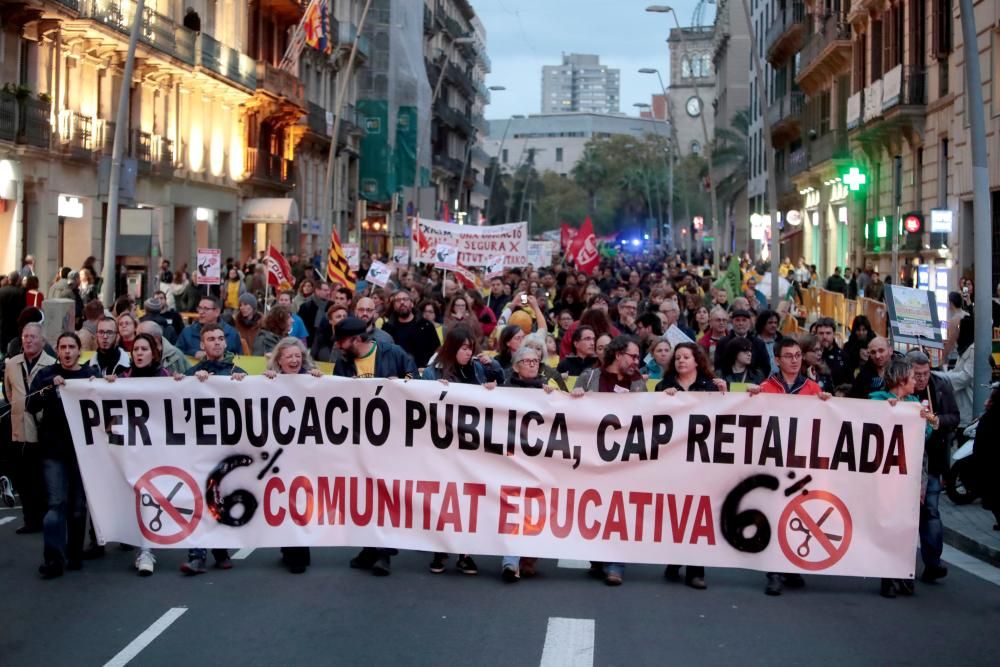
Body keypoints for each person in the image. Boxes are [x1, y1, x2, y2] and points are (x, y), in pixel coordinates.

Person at [334, 317, 416, 575]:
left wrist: (402, 384)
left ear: (357, 340)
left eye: (342, 341)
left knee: (384, 494)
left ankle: (383, 552)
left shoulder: (393, 353)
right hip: (359, 439)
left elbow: (416, 381)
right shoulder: (343, 363)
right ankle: (370, 547)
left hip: (391, 438)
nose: (338, 346)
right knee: (364, 495)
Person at [422, 325, 500, 576]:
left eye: (471, 348)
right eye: (464, 348)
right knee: (443, 499)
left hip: (470, 448)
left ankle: (465, 553)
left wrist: (491, 379)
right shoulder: (434, 373)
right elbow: (419, 401)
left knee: (468, 500)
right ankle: (440, 550)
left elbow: (502, 381)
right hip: (442, 449)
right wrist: (434, 391)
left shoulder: (477, 368)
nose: (468, 353)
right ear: (453, 348)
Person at [26, 332, 100, 578]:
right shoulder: (47, 375)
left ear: (80, 351)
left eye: (72, 347)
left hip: (83, 451)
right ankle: (53, 559)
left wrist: (105, 383)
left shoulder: (89, 375)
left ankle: (74, 553)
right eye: (63, 347)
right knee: (57, 503)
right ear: (57, 351)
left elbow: (105, 404)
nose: (67, 351)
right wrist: (49, 389)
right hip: (54, 450)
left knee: (78, 506)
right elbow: (30, 404)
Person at [175, 324, 247, 574]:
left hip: (228, 448)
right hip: (200, 447)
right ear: (202, 345)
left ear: (226, 343)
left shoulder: (238, 372)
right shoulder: (193, 372)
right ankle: (197, 554)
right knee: (200, 497)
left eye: (220, 339)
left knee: (217, 497)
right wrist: (184, 382)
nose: (216, 343)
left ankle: (219, 550)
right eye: (210, 339)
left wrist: (242, 384)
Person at [575, 335, 645, 585]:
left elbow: (647, 417)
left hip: (623, 458)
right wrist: (576, 395)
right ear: (618, 355)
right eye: (633, 356)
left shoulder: (637, 383)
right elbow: (569, 410)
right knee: (594, 507)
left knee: (618, 509)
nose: (637, 361)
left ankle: (616, 563)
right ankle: (597, 558)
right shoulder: (590, 377)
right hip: (591, 457)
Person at [656, 341, 726, 589]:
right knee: (676, 513)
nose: (681, 361)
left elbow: (725, 416)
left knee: (698, 513)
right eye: (678, 358)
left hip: (700, 460)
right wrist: (664, 400)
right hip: (673, 460)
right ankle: (676, 559)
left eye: (686, 357)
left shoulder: (710, 387)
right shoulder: (663, 386)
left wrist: (724, 395)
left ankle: (696, 570)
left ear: (697, 361)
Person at [868, 357, 937, 598]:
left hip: (911, 473)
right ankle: (887, 577)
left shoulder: (915, 403)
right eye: (911, 377)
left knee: (907, 526)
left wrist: (925, 419)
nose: (916, 381)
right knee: (888, 524)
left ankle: (904, 574)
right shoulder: (876, 399)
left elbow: (925, 435)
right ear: (900, 380)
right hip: (886, 474)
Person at [102, 332, 170, 575]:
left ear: (154, 353)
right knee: (134, 497)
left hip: (156, 449)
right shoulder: (122, 378)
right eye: (136, 349)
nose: (139, 353)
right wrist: (105, 388)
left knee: (148, 496)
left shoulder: (166, 378)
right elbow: (107, 413)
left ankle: (146, 550)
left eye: (144, 349)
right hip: (128, 449)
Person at [498, 344, 562, 582]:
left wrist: (565, 396)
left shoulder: (549, 387)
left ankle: (529, 558)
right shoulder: (503, 389)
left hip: (541, 459)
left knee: (537, 507)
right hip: (512, 458)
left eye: (536, 361)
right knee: (514, 507)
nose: (533, 364)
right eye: (527, 361)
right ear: (516, 366)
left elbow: (572, 407)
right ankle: (511, 561)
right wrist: (487, 392)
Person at [262, 337, 324, 573]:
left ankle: (299, 548)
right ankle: (292, 549)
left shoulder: (313, 379)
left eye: (298, 356)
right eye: (289, 356)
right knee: (285, 498)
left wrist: (320, 381)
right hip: (279, 452)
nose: (295, 360)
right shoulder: (269, 381)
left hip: (306, 452)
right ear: (279, 359)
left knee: (303, 498)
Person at [908, 350, 959, 583]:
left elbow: (954, 417)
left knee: (930, 509)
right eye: (917, 374)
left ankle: (933, 562)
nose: (921, 379)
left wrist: (937, 421)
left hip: (933, 457)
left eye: (926, 373)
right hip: (906, 459)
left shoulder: (940, 385)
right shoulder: (901, 386)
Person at [3, 323, 56, 534]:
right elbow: (9, 392)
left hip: (42, 429)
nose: (28, 340)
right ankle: (29, 520)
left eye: (33, 337)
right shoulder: (12, 364)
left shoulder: (51, 364)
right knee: (22, 478)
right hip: (18, 429)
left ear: (42, 341)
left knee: (40, 478)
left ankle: (44, 518)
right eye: (25, 336)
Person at [381, 290, 441, 369]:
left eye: (405, 299)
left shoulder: (426, 326)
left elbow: (436, 351)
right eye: (398, 300)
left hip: (421, 375)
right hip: (396, 375)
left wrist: (428, 368)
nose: (402, 302)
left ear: (412, 303)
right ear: (394, 306)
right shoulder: (387, 328)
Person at [176, 296, 242, 357]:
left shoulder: (231, 333)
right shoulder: (187, 332)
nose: (201, 312)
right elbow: (176, 354)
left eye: (206, 309)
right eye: (200, 308)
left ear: (217, 312)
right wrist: (193, 353)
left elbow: (240, 358)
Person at [714, 309, 770, 379]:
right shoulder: (723, 342)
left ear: (749, 322)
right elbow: (718, 365)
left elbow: (765, 366)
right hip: (728, 383)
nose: (740, 323)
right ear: (732, 322)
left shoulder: (758, 343)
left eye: (744, 320)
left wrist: (755, 378)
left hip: (753, 384)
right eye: (737, 320)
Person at [941, 291, 973, 368]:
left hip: (957, 357)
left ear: (951, 303)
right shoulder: (968, 314)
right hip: (970, 354)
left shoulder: (954, 320)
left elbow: (951, 342)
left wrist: (943, 357)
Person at [813, 317, 847, 385]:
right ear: (816, 334)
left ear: (833, 334)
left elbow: (849, 381)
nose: (824, 336)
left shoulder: (843, 356)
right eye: (821, 333)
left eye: (828, 333)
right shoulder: (810, 355)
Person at [0, 271, 26, 352]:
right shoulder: (20, 292)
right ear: (17, 280)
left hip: (2, 323)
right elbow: (23, 309)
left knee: (3, 346)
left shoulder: (1, 291)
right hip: (15, 324)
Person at [754, 310, 783, 374]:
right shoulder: (753, 342)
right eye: (770, 322)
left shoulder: (782, 341)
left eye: (775, 323)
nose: (774, 325)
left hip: (779, 380)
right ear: (762, 323)